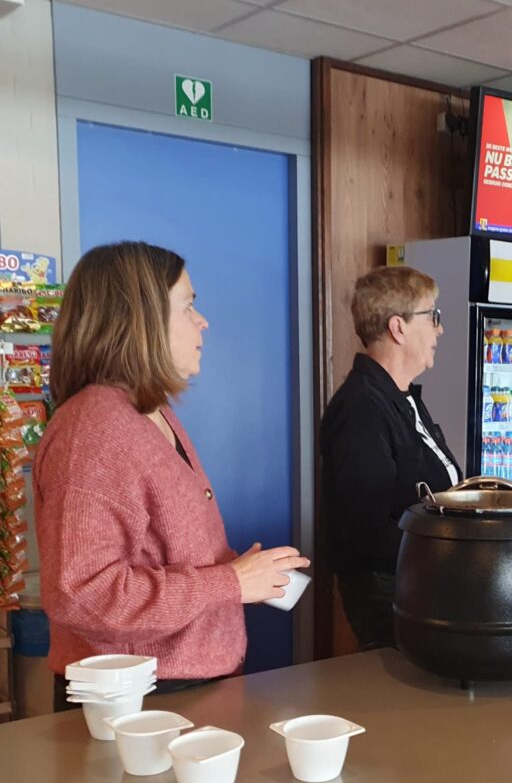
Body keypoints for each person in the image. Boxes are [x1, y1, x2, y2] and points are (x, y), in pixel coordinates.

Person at [35, 241, 308, 704]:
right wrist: (230, 582)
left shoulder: (151, 412)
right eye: (187, 306)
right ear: (139, 319)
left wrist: (241, 571)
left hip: (186, 687)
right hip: (138, 700)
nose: (203, 322)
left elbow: (158, 552)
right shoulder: (93, 430)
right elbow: (82, 594)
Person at [320, 265, 462, 651]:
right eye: (432, 316)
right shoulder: (361, 409)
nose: (439, 330)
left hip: (423, 583)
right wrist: (454, 551)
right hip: (394, 594)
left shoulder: (401, 397)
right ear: (398, 328)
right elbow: (368, 527)